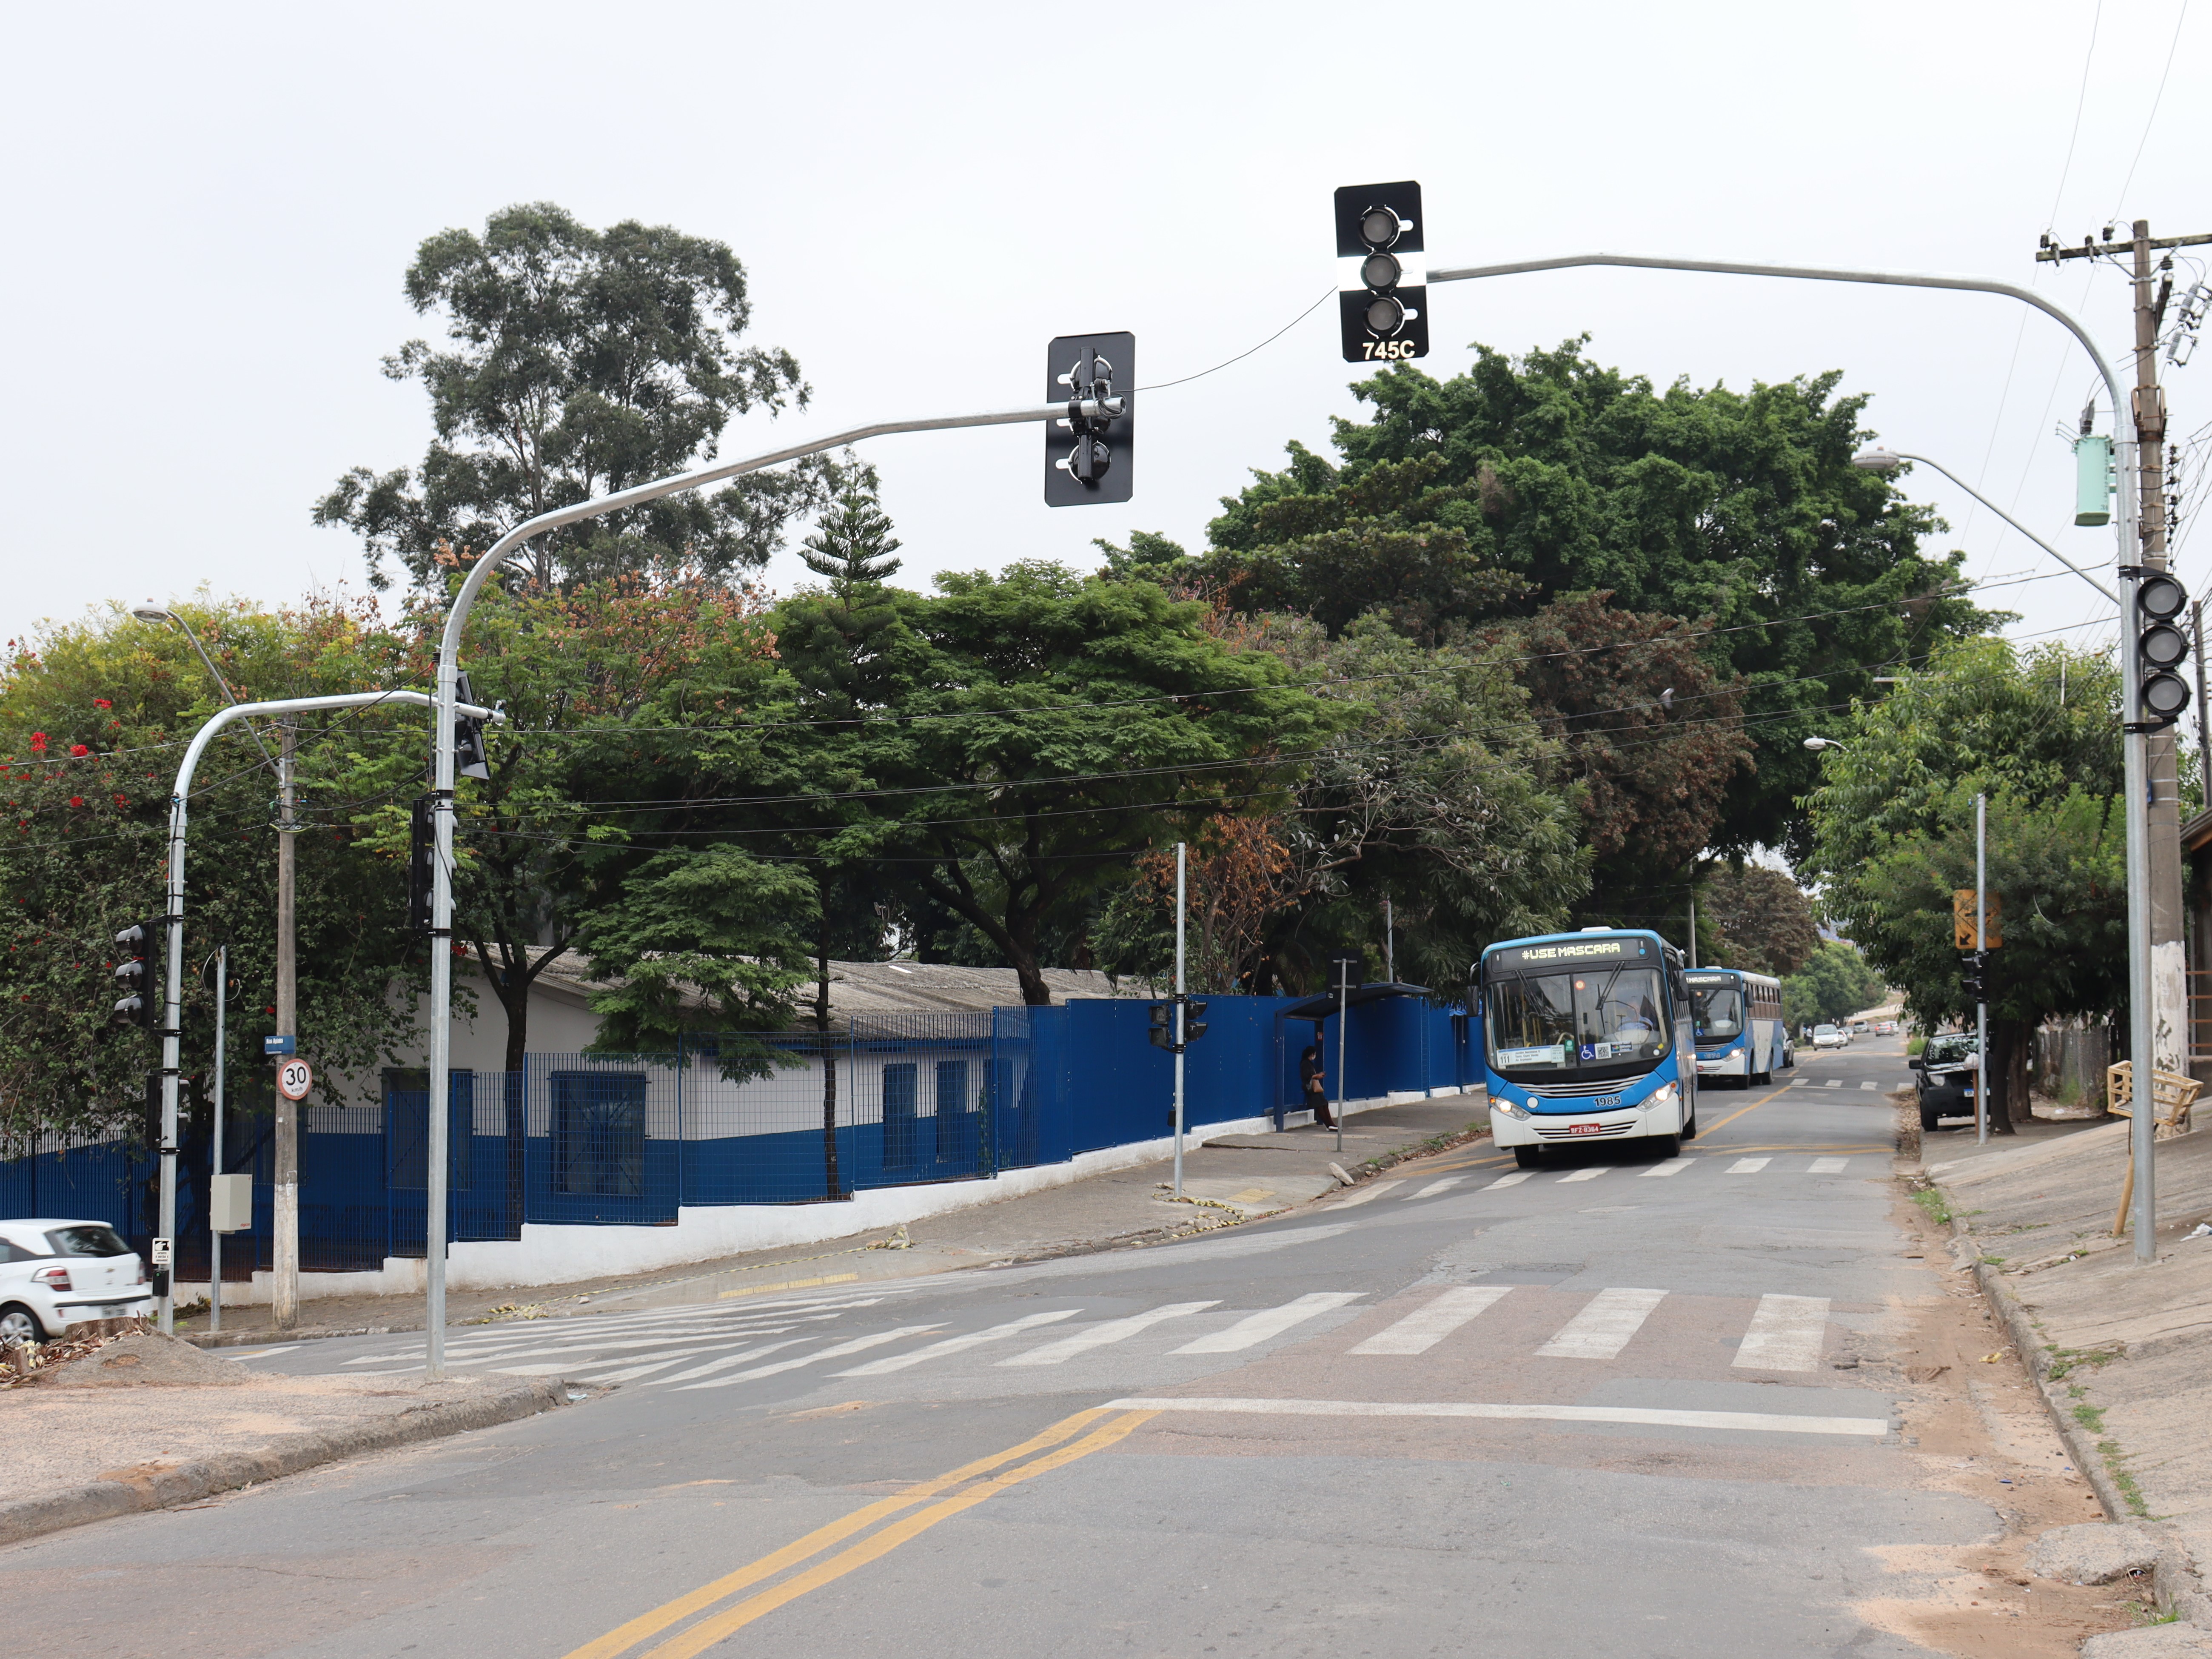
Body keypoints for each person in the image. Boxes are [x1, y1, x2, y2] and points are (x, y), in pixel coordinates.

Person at [1300, 1039, 1335, 1130]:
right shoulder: (1305, 1064)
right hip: (1310, 1089)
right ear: (1312, 1054)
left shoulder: (1308, 1063)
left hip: (1313, 1088)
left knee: (1324, 1103)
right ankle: (1330, 1125)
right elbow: (1306, 1076)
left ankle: (1330, 1124)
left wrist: (1318, 1075)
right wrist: (1317, 1076)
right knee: (1320, 1105)